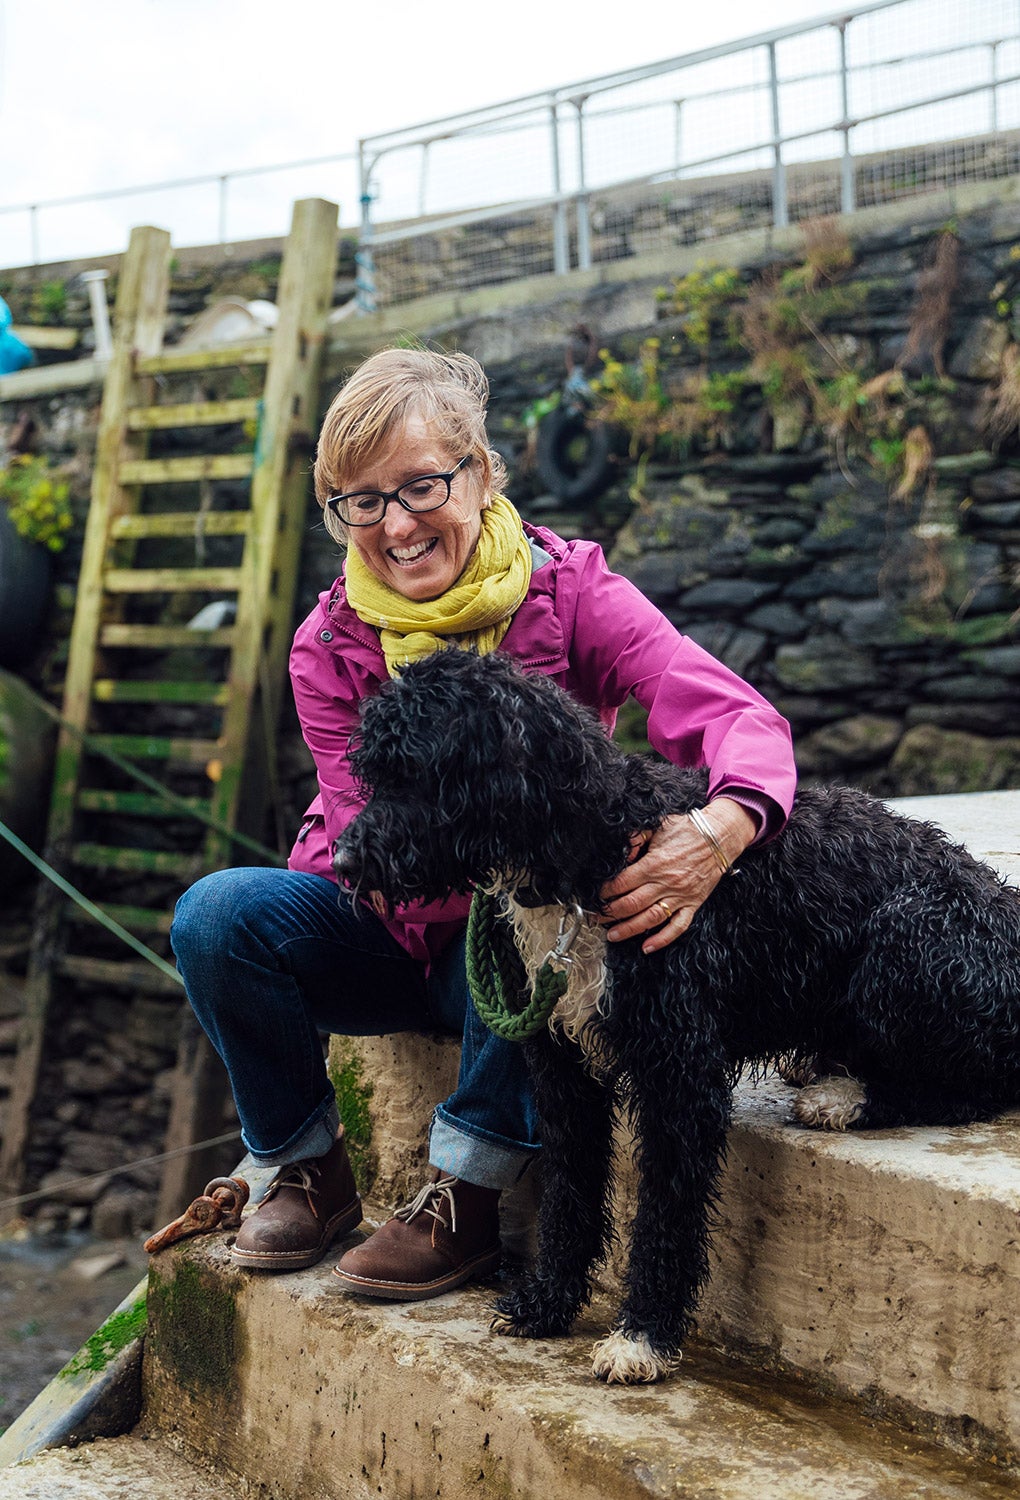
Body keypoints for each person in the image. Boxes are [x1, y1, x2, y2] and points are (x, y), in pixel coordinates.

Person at [170, 346, 797, 1301]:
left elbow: (732, 713)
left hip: (518, 927)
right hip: (387, 931)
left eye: (420, 486)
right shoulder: (327, 645)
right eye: (360, 501)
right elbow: (373, 838)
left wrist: (723, 827)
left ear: (481, 472)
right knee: (214, 916)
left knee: (540, 925)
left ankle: (465, 1196)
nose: (396, 524)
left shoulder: (574, 592)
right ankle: (306, 1168)